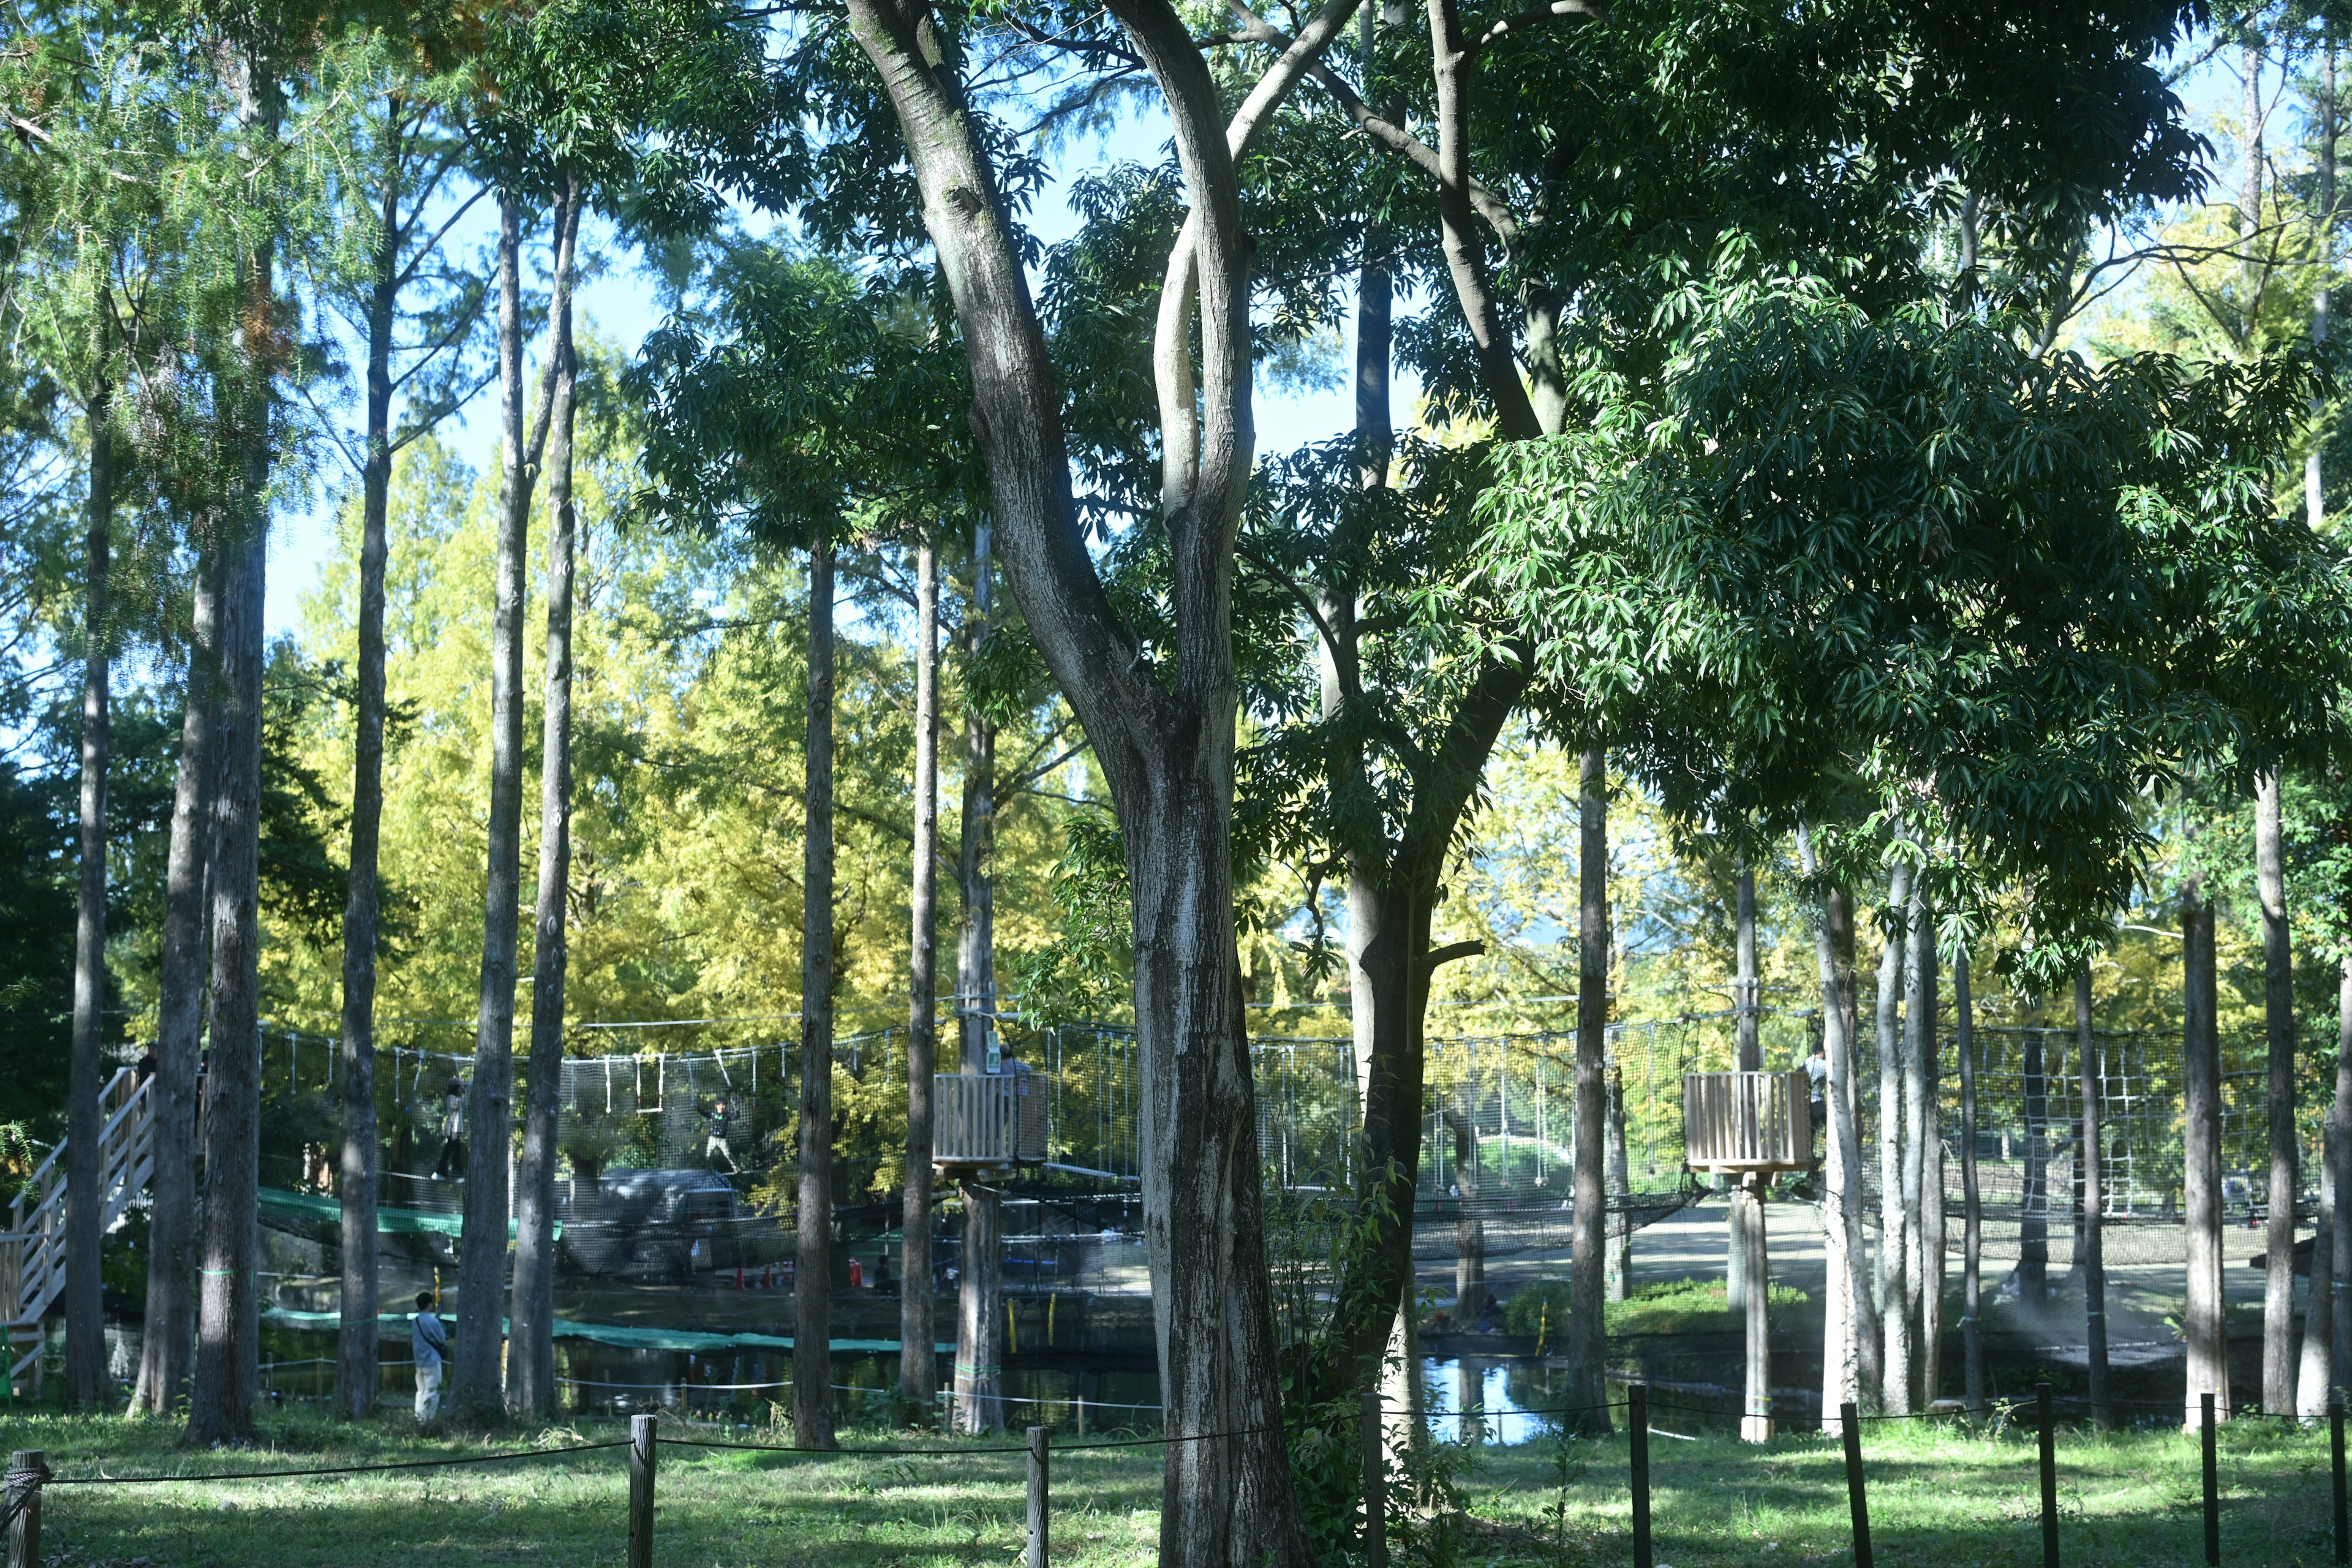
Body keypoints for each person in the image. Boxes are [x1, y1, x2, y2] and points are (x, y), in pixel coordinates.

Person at [411, 1291, 447, 1420]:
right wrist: (437, 1319)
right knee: (431, 1392)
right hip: (432, 1361)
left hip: (419, 1363)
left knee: (420, 1392)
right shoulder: (433, 1322)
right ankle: (428, 1421)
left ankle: (419, 1418)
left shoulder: (415, 1322)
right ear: (429, 1305)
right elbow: (441, 1339)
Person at [432, 1077, 466, 1178]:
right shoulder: (451, 1098)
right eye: (460, 1087)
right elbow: (460, 1103)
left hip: (455, 1129)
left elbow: (465, 1104)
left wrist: (465, 1093)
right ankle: (454, 1175)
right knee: (454, 1152)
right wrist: (465, 1093)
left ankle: (443, 1173)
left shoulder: (455, 1098)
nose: (461, 1089)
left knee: (451, 1151)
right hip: (452, 1129)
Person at [1804, 1041, 1829, 1158]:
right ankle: (1827, 1152)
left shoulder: (1806, 1063)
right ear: (1821, 1053)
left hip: (1806, 1104)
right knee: (1829, 1124)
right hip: (1817, 1101)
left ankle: (1811, 1156)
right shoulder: (1823, 1064)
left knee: (1811, 1132)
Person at [703, 1097, 737, 1174]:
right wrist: (697, 1108)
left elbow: (736, 1117)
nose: (723, 1107)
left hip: (722, 1139)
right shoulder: (712, 1114)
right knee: (708, 1155)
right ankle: (709, 1170)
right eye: (722, 1105)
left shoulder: (727, 1115)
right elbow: (704, 1113)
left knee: (728, 1154)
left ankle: (736, 1168)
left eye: (725, 1105)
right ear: (717, 1105)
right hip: (713, 1138)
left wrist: (736, 1110)